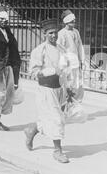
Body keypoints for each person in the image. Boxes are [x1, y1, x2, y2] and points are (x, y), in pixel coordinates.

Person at [23, 18, 72, 163]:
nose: (53, 36)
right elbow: (33, 72)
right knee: (56, 119)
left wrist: (68, 87)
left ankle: (32, 130)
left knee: (53, 118)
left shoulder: (62, 49)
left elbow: (66, 69)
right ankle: (58, 151)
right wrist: (51, 71)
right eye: (50, 33)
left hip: (59, 88)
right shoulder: (39, 50)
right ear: (45, 34)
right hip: (46, 89)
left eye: (55, 33)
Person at [57, 10, 85, 102]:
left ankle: (75, 103)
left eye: (74, 21)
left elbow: (80, 46)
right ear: (66, 22)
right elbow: (59, 49)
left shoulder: (76, 32)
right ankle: (66, 106)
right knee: (68, 84)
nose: (74, 23)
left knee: (78, 84)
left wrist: (82, 59)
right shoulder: (61, 33)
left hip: (76, 62)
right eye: (72, 21)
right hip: (67, 64)